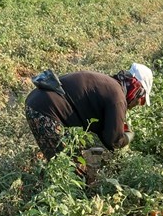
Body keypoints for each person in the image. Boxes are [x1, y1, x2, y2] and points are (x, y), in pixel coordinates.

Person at [23, 64, 153, 160]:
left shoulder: (109, 85)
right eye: (141, 101)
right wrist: (128, 136)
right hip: (45, 111)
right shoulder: (117, 98)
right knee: (67, 166)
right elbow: (113, 140)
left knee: (69, 159)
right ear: (136, 91)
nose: (136, 106)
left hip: (38, 104)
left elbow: (103, 131)